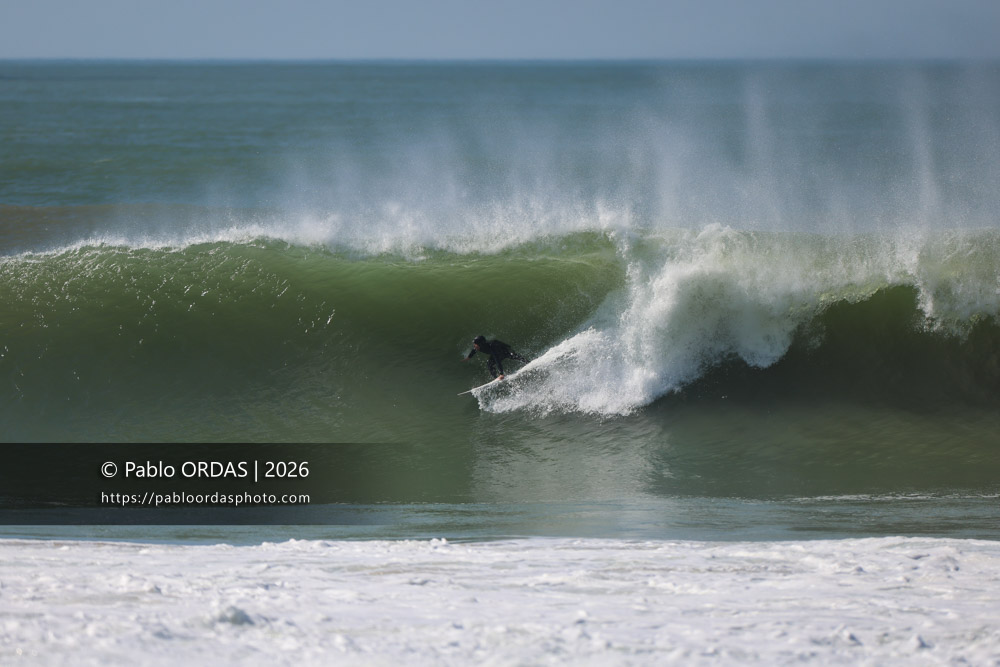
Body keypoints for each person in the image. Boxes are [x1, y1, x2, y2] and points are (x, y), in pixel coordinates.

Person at [462, 335, 528, 380]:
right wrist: (469, 357)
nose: (474, 346)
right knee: (489, 364)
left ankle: (528, 362)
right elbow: (474, 350)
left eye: (475, 344)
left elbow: (497, 360)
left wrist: (501, 373)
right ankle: (495, 378)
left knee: (513, 356)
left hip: (505, 350)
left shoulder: (491, 346)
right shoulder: (478, 347)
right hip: (498, 353)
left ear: (480, 344)